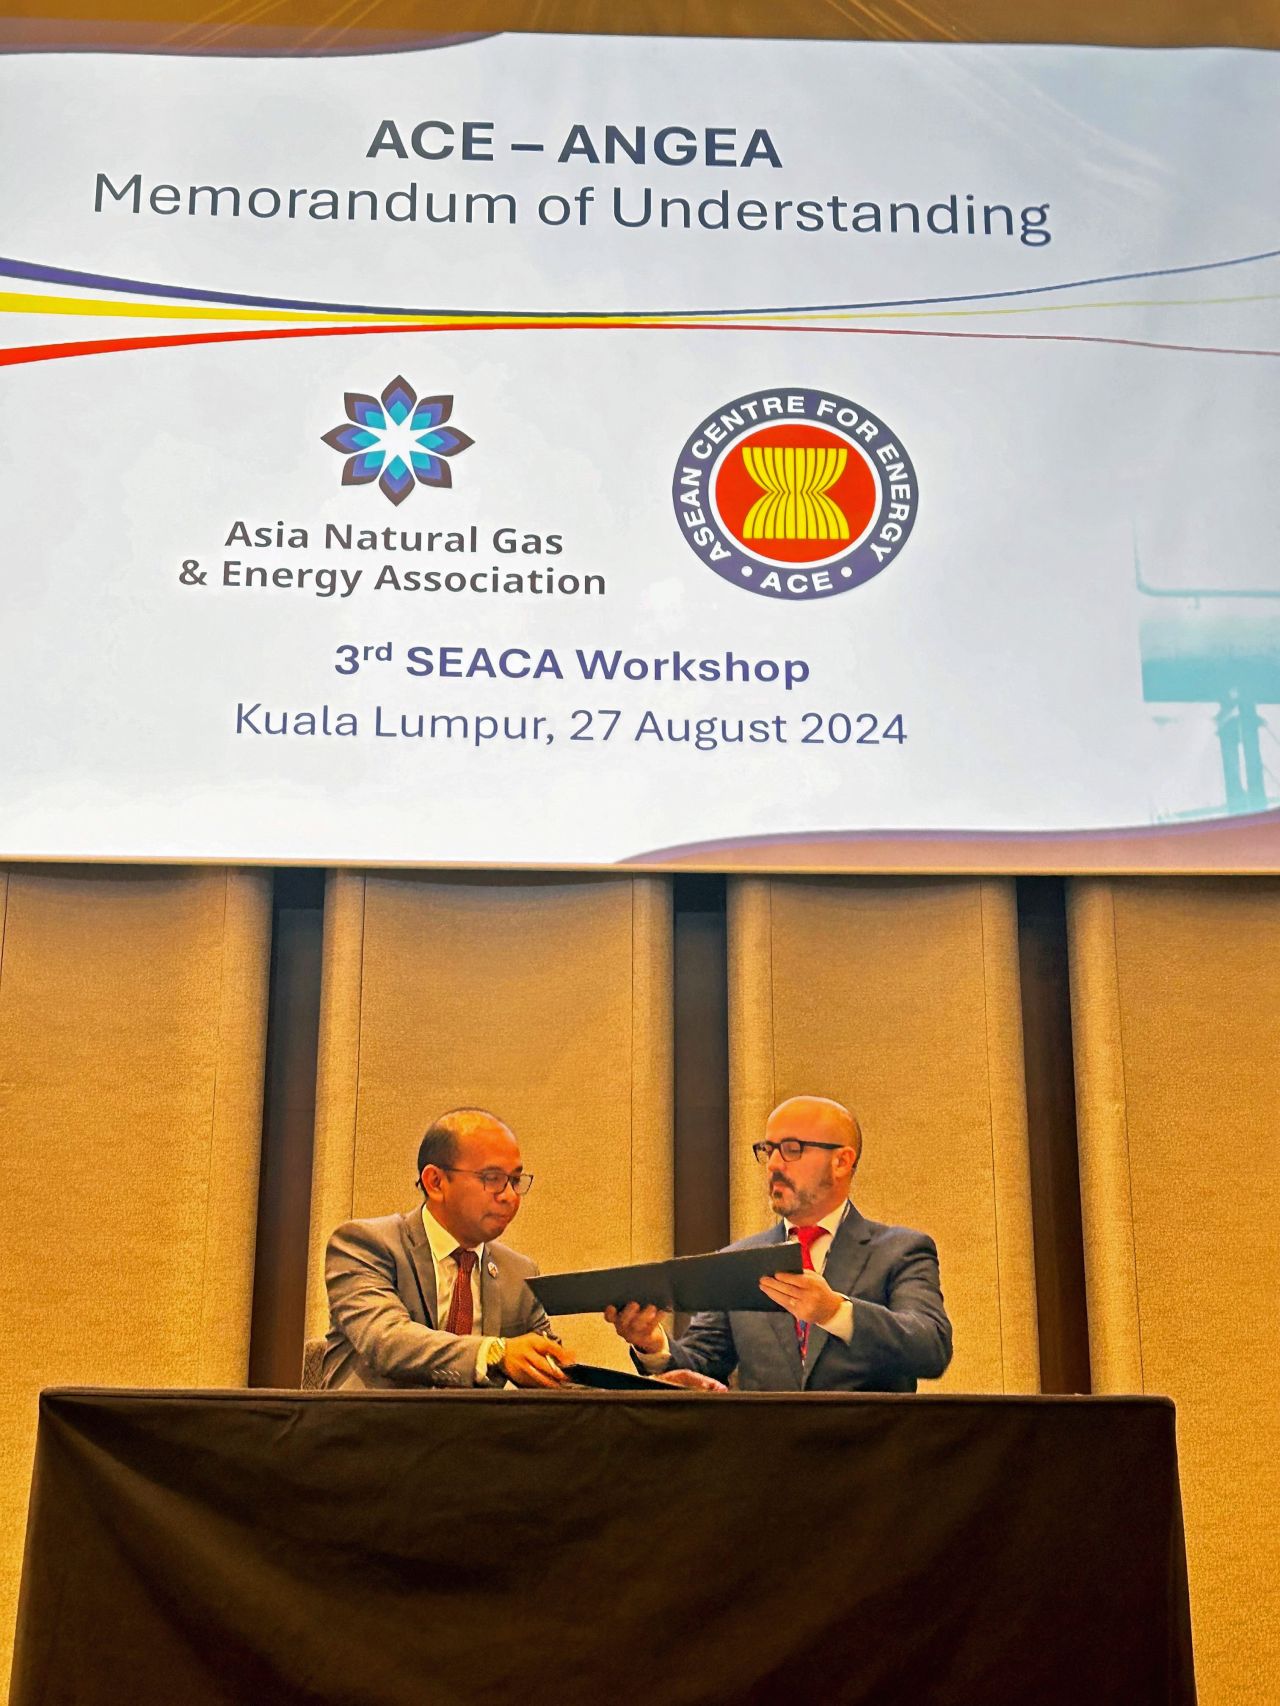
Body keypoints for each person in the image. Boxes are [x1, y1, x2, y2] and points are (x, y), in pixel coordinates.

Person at [607, 1094, 953, 1391]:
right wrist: (652, 1345)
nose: (773, 1164)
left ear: (841, 1161)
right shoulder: (737, 1261)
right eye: (768, 1150)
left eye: (792, 1149)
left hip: (870, 1459)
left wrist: (835, 1312)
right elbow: (702, 1362)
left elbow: (929, 1346)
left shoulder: (901, 1250)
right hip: (766, 1459)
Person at [321, 1106, 576, 1389]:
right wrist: (495, 1352)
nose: (509, 1196)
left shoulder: (518, 1272)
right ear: (436, 1182)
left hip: (479, 1433)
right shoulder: (363, 1244)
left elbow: (554, 1376)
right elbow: (386, 1340)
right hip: (375, 1429)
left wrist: (636, 1342)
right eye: (492, 1179)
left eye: (515, 1180)